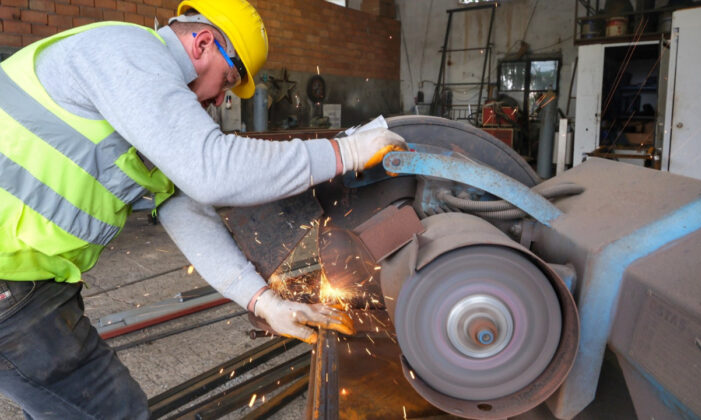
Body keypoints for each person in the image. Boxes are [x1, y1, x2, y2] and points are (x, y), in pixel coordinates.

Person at [0, 0, 406, 418]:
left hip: (33, 280)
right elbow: (211, 171)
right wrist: (344, 152)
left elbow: (188, 209)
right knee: (115, 411)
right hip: (9, 280)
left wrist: (263, 302)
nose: (218, 99)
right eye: (227, 80)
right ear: (204, 43)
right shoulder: (125, 54)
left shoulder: (145, 104)